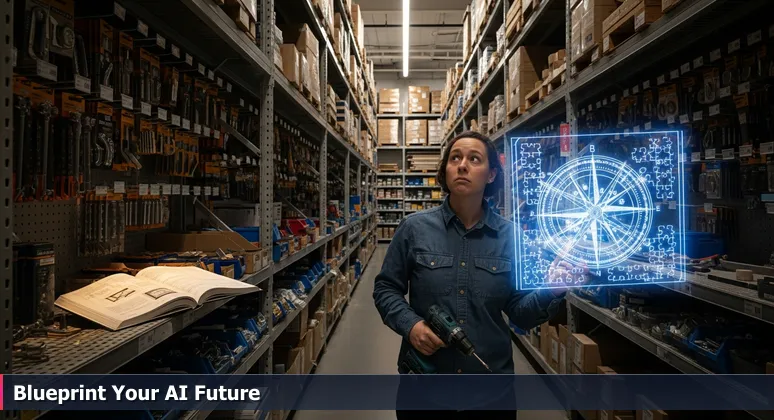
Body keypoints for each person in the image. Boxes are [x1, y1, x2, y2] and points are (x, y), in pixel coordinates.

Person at [373, 131, 583, 419]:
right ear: (444, 170)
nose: (462, 165)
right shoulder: (413, 229)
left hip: (490, 393)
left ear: (492, 175)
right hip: (424, 388)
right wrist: (411, 326)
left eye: (475, 159)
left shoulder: (510, 237)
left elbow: (520, 313)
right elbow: (386, 288)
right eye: (455, 158)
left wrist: (551, 290)